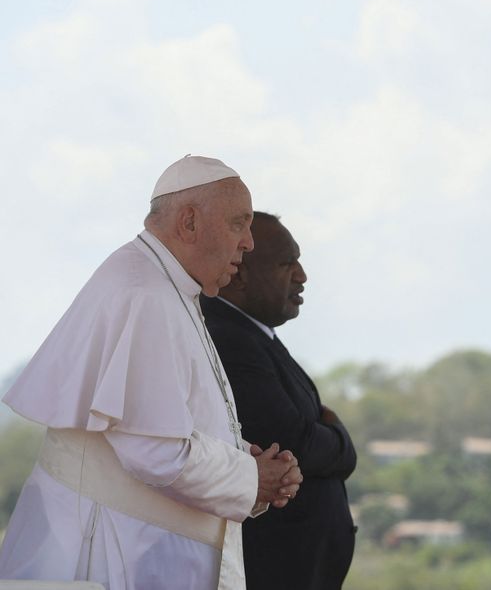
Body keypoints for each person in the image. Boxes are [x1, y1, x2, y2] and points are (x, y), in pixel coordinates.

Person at [0, 156, 303, 590]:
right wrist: (251, 478)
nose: (249, 243)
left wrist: (243, 460)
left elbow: (164, 425)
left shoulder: (163, 283)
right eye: (239, 224)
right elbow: (157, 450)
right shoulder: (144, 293)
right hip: (108, 552)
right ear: (190, 222)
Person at [201, 212, 357, 590]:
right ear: (239, 272)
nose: (301, 276)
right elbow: (291, 444)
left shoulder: (256, 336)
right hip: (272, 566)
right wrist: (340, 441)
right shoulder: (229, 338)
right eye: (287, 264)